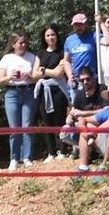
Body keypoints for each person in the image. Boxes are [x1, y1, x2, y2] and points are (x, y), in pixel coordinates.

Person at [0, 31, 39, 170]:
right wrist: (10, 77)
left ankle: (27, 157)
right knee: (14, 128)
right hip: (12, 93)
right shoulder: (7, 59)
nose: (23, 45)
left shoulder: (32, 57)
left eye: (25, 42)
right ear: (13, 44)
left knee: (27, 126)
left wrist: (29, 77)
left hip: (28, 91)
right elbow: (0, 80)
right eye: (20, 43)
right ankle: (14, 158)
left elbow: (37, 76)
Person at [36, 24, 72, 159]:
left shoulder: (62, 52)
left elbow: (59, 73)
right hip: (43, 90)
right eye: (48, 35)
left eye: (53, 35)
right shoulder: (40, 53)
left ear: (57, 36)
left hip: (58, 89)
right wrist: (45, 72)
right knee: (47, 121)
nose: (50, 38)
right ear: (44, 38)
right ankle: (51, 152)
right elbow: (34, 73)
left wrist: (44, 71)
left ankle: (63, 149)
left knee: (60, 119)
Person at [67, 67, 103, 170]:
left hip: (100, 125)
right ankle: (82, 151)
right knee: (64, 132)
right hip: (84, 128)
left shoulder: (101, 89)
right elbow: (73, 112)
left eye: (88, 79)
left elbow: (106, 110)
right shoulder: (79, 95)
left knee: (89, 125)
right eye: (82, 80)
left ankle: (85, 162)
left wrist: (83, 113)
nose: (85, 82)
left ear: (93, 78)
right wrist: (69, 117)